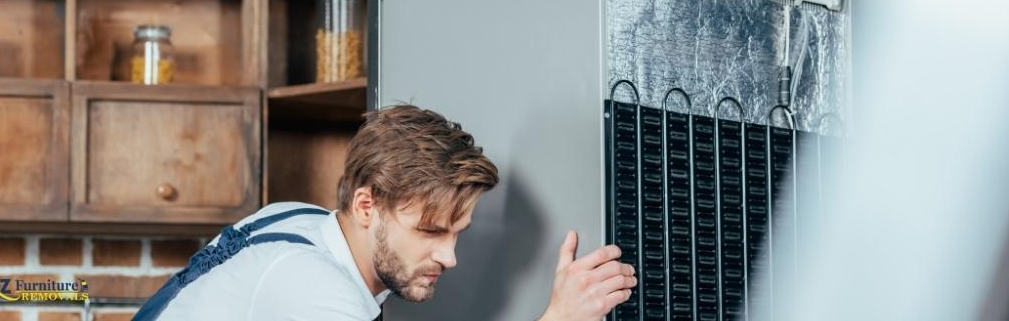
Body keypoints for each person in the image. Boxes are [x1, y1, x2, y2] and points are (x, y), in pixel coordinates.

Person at [134, 105, 636, 321]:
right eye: (430, 231)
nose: (450, 256)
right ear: (366, 205)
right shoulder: (317, 289)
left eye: (457, 232)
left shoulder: (299, 220)